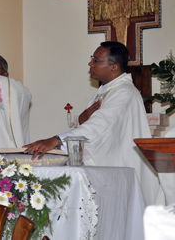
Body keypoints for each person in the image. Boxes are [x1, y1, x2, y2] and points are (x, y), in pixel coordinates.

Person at [24, 41, 160, 205]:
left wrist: (56, 141)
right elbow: (94, 127)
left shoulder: (124, 93)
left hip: (120, 172)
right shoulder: (105, 91)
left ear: (113, 67)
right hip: (109, 172)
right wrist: (81, 121)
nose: (90, 63)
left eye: (96, 60)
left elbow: (99, 126)